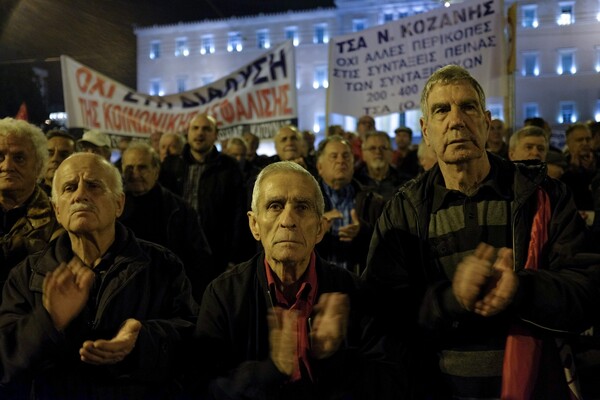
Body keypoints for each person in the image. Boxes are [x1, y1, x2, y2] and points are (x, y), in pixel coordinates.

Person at [361, 65, 600, 399]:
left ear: (487, 122)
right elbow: (382, 313)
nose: (456, 120)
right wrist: (450, 300)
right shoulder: (404, 211)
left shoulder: (544, 196)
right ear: (426, 131)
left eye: (468, 107)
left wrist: (521, 289)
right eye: (442, 110)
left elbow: (588, 290)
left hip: (538, 387)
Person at [0, 153, 198, 399]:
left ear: (119, 204)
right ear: (57, 210)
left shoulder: (162, 265)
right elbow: (6, 362)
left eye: (94, 185)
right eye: (69, 188)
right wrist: (48, 320)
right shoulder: (26, 275)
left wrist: (142, 340)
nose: (80, 195)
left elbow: (192, 342)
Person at [190, 161, 368, 399]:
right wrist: (271, 370)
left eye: (302, 207)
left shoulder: (352, 291)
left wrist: (334, 359)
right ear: (254, 225)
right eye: (275, 206)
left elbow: (386, 382)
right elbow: (204, 387)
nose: (288, 220)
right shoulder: (223, 295)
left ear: (319, 228)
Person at [119, 142, 213, 303]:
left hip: (168, 295)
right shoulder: (112, 208)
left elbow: (199, 258)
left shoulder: (179, 209)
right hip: (125, 294)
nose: (134, 173)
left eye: (142, 167)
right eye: (129, 168)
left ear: (156, 170)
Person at [159, 113, 248, 275]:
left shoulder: (229, 167)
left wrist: (234, 257)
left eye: (206, 129)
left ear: (215, 135)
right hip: (176, 251)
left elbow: (238, 214)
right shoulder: (170, 166)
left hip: (216, 253)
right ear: (188, 133)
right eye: (195, 128)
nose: (200, 133)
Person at [0, 118, 62, 293]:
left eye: (19, 158)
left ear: (39, 166)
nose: (7, 166)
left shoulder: (58, 219)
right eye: (0, 157)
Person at [316, 135, 385, 275]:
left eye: (346, 156)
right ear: (320, 167)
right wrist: (315, 229)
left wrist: (363, 231)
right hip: (319, 285)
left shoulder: (373, 201)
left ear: (353, 165)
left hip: (360, 285)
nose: (341, 161)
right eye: (334, 156)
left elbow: (387, 245)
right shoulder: (305, 201)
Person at [355, 131, 408, 201]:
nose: (378, 152)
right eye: (372, 148)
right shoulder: (354, 183)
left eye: (383, 148)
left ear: (391, 153)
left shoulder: (405, 183)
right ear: (364, 154)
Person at [561, 122, 597, 211]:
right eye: (580, 140)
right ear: (569, 143)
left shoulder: (597, 161)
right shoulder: (561, 165)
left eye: (588, 139)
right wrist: (573, 172)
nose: (585, 143)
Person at [41, 129, 76, 195]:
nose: (55, 159)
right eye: (50, 154)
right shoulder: (28, 196)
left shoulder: (81, 195)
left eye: (63, 155)